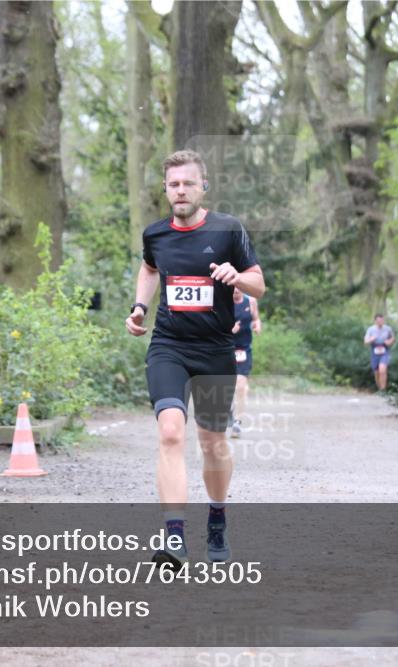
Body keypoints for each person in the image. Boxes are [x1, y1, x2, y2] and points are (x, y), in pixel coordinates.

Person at [125, 150, 265, 569]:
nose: (180, 190)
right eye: (173, 184)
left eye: (188, 183)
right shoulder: (156, 235)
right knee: (170, 432)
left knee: (213, 442)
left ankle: (217, 519)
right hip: (169, 345)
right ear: (166, 190)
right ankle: (174, 539)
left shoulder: (228, 230)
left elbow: (259, 285)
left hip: (216, 350)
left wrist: (235, 276)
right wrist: (139, 307)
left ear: (203, 186)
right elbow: (150, 269)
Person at [229, 289, 261, 438]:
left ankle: (237, 422)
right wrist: (230, 331)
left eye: (238, 287)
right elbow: (214, 328)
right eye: (233, 288)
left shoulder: (251, 301)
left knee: (241, 386)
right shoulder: (224, 302)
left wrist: (257, 325)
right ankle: (229, 409)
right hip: (225, 349)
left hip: (244, 350)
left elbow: (256, 318)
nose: (236, 291)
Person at [364, 313, 395, 391]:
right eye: (378, 321)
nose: (380, 322)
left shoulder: (388, 329)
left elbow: (392, 338)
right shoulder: (370, 329)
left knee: (382, 370)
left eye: (382, 321)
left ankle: (383, 389)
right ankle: (379, 387)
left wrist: (389, 342)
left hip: (384, 350)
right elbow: (365, 341)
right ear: (375, 321)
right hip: (374, 351)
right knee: (377, 372)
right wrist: (371, 339)